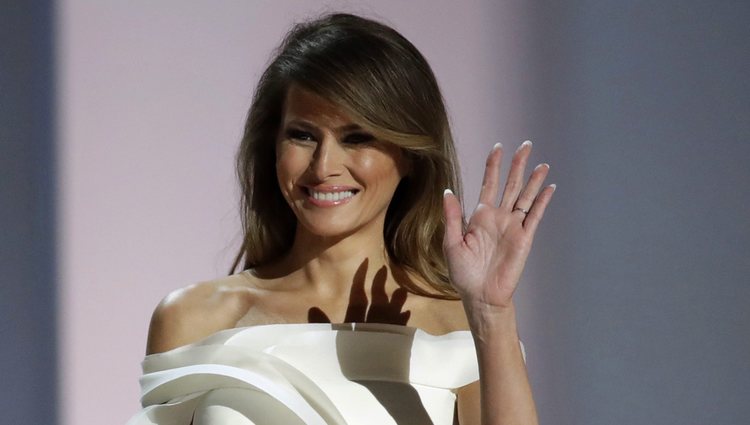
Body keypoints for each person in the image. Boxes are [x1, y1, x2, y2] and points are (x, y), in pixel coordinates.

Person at [128, 12, 554, 425]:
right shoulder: (195, 318)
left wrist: (490, 315)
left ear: (408, 156)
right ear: (272, 145)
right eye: (303, 135)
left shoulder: (456, 329)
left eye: (357, 138)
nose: (323, 166)